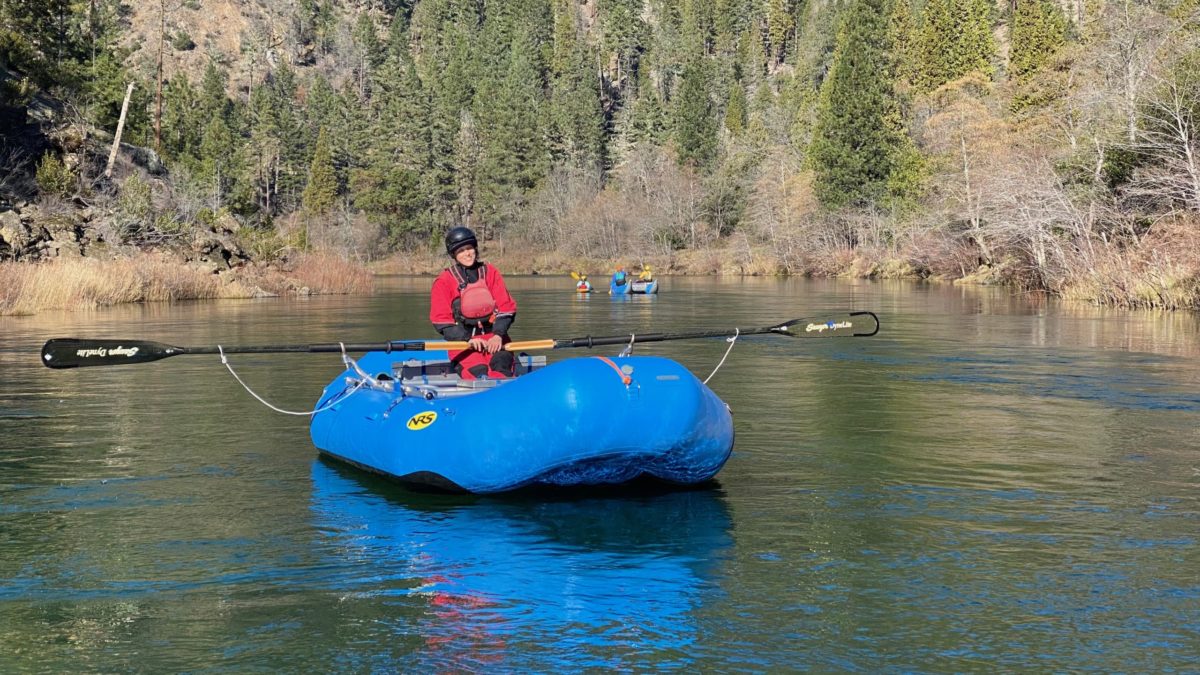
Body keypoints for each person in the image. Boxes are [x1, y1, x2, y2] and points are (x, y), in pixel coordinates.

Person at [430, 226, 517, 380]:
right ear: (454, 255)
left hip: (495, 340)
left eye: (469, 248)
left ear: (475, 248)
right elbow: (441, 321)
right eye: (461, 251)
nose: (467, 254)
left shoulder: (491, 272)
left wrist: (497, 335)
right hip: (463, 344)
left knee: (501, 370)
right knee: (479, 374)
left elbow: (506, 308)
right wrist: (467, 339)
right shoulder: (444, 281)